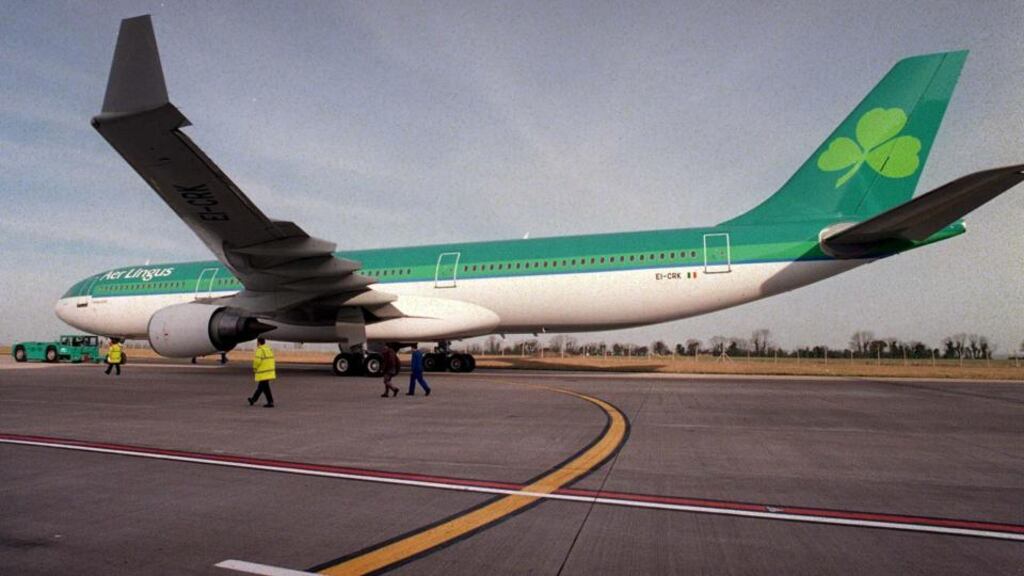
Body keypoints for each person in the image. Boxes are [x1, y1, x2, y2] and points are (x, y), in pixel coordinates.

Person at [248, 338, 275, 407]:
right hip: (269, 371)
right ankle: (253, 399)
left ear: (259, 342)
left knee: (264, 387)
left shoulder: (260, 350)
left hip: (263, 372)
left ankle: (270, 402)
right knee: (262, 387)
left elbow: (257, 361)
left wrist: (254, 368)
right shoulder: (268, 349)